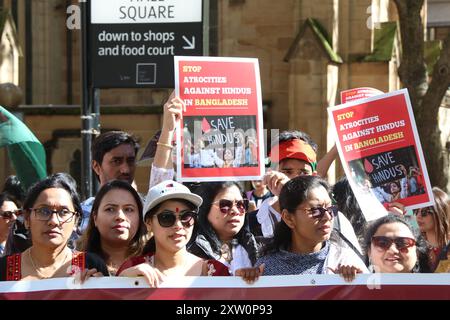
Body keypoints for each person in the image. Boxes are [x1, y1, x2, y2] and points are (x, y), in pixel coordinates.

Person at [116, 180, 230, 287]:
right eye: (166, 218)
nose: (178, 225)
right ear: (149, 223)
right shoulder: (132, 270)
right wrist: (121, 283)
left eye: (186, 217)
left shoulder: (216, 272)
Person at [0, 173, 108, 281]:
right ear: (27, 219)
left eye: (64, 212)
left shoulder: (92, 266)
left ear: (75, 221)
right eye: (44, 211)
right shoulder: (3, 269)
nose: (53, 221)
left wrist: (98, 289)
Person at [254, 175, 368, 277]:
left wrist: (359, 285)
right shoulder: (266, 270)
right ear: (288, 218)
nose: (327, 217)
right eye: (316, 211)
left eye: (330, 208)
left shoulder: (346, 262)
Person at [78, 180, 148, 276]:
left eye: (128, 209)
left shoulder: (153, 262)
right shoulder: (77, 263)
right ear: (95, 218)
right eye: (110, 209)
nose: (120, 216)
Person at [188, 181, 259, 275]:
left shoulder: (261, 249)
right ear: (205, 209)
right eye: (225, 205)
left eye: (241, 205)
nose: (235, 211)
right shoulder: (189, 253)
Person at [79, 131, 140, 234]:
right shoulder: (81, 214)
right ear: (96, 167)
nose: (125, 170)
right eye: (116, 161)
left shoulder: (147, 210)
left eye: (130, 161)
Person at [363, 214, 430, 273]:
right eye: (382, 243)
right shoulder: (355, 285)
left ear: (417, 252)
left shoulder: (438, 286)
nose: (393, 250)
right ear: (369, 252)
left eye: (403, 243)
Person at [414, 187, 450, 272]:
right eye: (416, 211)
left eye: (424, 212)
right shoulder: (413, 246)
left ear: (440, 213)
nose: (418, 216)